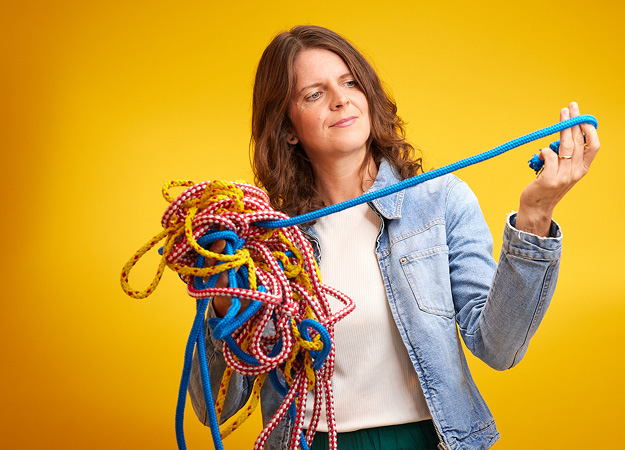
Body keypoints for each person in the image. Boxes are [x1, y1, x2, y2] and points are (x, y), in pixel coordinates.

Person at [189, 25, 600, 450]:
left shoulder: (442, 202)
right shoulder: (263, 240)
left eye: (350, 82)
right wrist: (225, 294)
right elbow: (213, 410)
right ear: (287, 127)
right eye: (314, 94)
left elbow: (499, 347)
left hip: (423, 440)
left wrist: (535, 216)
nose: (340, 98)